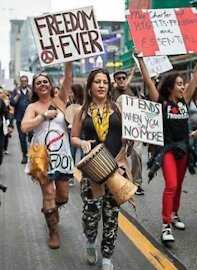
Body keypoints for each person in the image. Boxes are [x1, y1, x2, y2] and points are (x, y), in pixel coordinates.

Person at [135, 42, 197, 243]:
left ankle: (175, 213)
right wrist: (141, 59)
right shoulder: (161, 101)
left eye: (182, 84)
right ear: (170, 87)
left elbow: (195, 77)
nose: (183, 86)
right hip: (167, 150)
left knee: (179, 185)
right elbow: (147, 81)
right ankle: (166, 225)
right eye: (179, 84)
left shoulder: (185, 100)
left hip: (184, 149)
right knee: (171, 184)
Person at [70, 67, 133, 270]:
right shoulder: (82, 111)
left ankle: (107, 256)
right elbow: (74, 136)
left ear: (109, 86)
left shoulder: (117, 109)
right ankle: (90, 242)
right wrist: (81, 143)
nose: (101, 85)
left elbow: (128, 134)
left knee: (111, 216)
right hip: (91, 172)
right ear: (90, 86)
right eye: (97, 82)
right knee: (91, 215)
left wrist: (130, 138)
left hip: (115, 170)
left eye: (105, 82)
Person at [20, 63, 74, 249]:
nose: (42, 84)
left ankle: (51, 211)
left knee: (63, 195)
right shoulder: (32, 106)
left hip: (63, 153)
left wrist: (69, 60)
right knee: (48, 192)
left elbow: (68, 80)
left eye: (45, 81)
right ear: (34, 88)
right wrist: (43, 116)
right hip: (40, 154)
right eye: (39, 83)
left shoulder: (60, 100)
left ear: (50, 85)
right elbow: (24, 127)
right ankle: (53, 231)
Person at [111, 68, 145, 196]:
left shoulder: (134, 90)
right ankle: (117, 182)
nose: (121, 80)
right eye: (118, 78)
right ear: (115, 81)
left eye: (123, 78)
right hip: (118, 129)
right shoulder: (111, 93)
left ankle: (137, 183)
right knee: (118, 156)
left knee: (137, 154)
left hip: (134, 128)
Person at [11, 74, 32, 164]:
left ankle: (32, 155)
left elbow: (35, 102)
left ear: (28, 82)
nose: (24, 82)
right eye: (22, 81)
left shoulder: (31, 92)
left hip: (31, 119)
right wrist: (18, 95)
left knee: (31, 138)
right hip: (20, 118)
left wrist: (31, 94)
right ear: (20, 82)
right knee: (22, 138)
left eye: (25, 81)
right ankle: (25, 155)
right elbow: (12, 103)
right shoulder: (16, 91)